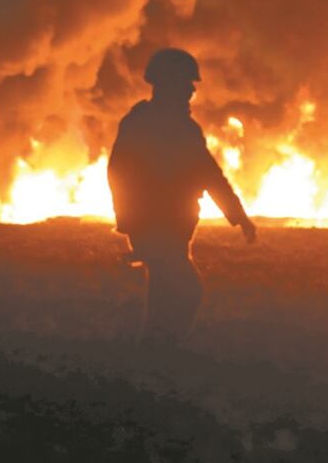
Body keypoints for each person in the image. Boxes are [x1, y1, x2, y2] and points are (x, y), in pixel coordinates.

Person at [108, 48, 257, 346]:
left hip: (172, 226)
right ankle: (160, 350)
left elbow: (208, 173)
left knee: (167, 288)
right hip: (154, 225)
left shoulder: (178, 127)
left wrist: (237, 215)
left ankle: (156, 352)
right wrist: (131, 220)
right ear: (167, 83)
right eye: (186, 82)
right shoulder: (150, 125)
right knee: (186, 290)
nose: (191, 89)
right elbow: (120, 173)